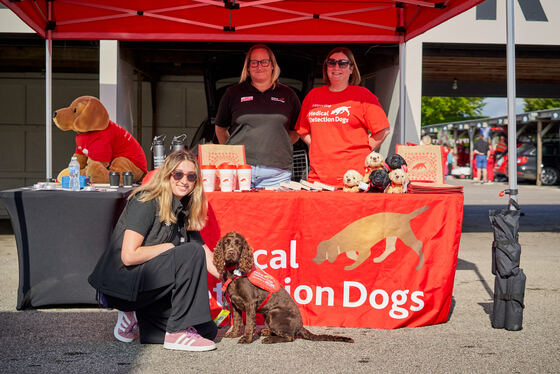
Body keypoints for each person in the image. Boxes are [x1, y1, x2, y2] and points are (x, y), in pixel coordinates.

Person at [88, 150, 219, 352]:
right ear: (167, 175)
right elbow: (129, 256)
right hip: (122, 285)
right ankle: (176, 331)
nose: (185, 180)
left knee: (206, 331)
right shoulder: (146, 201)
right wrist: (167, 247)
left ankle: (137, 318)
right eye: (178, 174)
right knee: (189, 252)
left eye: (191, 176)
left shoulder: (182, 208)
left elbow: (207, 255)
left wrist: (236, 276)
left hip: (147, 282)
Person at [295, 46, 390, 187]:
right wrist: (319, 146)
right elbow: (302, 130)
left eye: (343, 63)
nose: (336, 67)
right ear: (326, 67)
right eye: (331, 62)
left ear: (351, 69)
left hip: (354, 178)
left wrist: (362, 150)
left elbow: (383, 130)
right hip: (318, 178)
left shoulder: (363, 95)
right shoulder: (313, 96)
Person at [215, 44, 301, 188]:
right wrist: (233, 152)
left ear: (272, 65)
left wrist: (276, 145)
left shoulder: (288, 94)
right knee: (239, 211)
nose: (259, 66)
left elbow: (296, 130)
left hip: (276, 173)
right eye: (254, 62)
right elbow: (220, 128)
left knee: (275, 211)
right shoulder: (233, 93)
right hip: (239, 170)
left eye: (264, 62)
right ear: (247, 67)